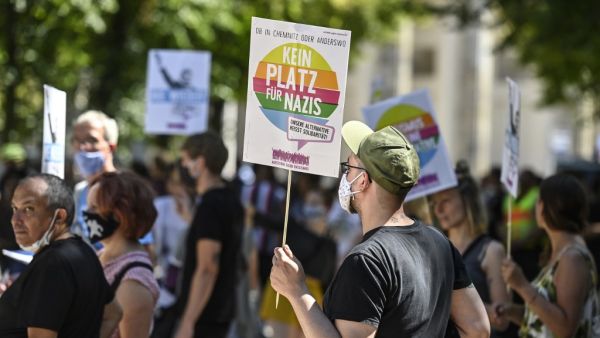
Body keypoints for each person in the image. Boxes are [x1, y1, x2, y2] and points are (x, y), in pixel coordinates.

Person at [270, 121, 490, 337]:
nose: (345, 178)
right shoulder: (440, 243)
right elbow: (477, 329)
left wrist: (297, 292)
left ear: (363, 180)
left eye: (348, 168)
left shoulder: (366, 261)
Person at [0, 174, 121, 337]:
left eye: (28, 209)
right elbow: (113, 313)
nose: (15, 219)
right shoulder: (83, 252)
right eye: (15, 208)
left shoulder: (53, 263)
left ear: (59, 217)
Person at [495, 173, 600, 337]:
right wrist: (512, 312)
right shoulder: (561, 252)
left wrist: (521, 286)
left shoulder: (572, 258)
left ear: (548, 207)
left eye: (538, 201)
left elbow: (564, 328)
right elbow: (545, 320)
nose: (535, 206)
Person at [174, 132, 244, 338]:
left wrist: (188, 322)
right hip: (219, 311)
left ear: (200, 163)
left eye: (185, 160)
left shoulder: (211, 205)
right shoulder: (230, 199)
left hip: (204, 318)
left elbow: (207, 267)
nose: (183, 167)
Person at [430, 161, 511, 336]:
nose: (438, 209)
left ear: (467, 201)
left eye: (446, 201)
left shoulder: (491, 250)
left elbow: (503, 319)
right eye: (434, 203)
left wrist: (456, 300)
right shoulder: (433, 248)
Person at [86, 171, 160, 337]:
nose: (87, 214)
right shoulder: (103, 255)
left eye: (94, 208)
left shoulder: (133, 281)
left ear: (119, 215)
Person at [71, 110, 154, 248]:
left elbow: (146, 251)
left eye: (91, 140)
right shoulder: (79, 192)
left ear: (111, 146)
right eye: (76, 140)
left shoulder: (128, 191)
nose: (82, 147)